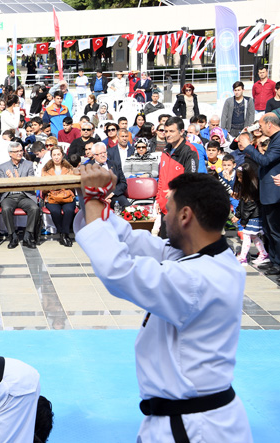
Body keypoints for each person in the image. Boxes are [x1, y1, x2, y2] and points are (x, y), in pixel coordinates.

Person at [76, 167, 253, 442]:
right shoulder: (211, 260)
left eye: (167, 209)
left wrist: (91, 200)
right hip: (195, 420)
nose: (164, 215)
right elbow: (133, 242)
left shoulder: (197, 278)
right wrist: (95, 199)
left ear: (185, 216)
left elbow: (118, 271)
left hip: (194, 429)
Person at [238, 113, 280, 276]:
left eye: (261, 125)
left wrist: (248, 147)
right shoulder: (274, 139)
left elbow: (266, 160)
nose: (260, 128)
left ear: (270, 124)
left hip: (275, 193)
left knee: (275, 230)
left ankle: (278, 263)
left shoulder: (278, 139)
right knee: (269, 230)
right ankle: (275, 261)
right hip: (268, 192)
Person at [156, 117, 199, 237]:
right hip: (166, 207)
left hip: (181, 207)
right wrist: (159, 199)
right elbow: (162, 177)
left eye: (171, 131)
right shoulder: (166, 150)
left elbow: (191, 179)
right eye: (166, 131)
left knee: (181, 248)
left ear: (181, 132)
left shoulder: (189, 151)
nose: (167, 135)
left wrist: (176, 191)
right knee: (166, 246)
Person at [0, 141, 40, 249]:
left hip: (24, 195)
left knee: (34, 208)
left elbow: (31, 183)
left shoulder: (28, 164)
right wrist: (11, 181)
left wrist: (18, 180)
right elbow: (2, 187)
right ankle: (12, 236)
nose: (19, 153)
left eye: (21, 151)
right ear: (10, 153)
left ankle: (28, 235)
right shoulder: (3, 167)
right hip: (9, 196)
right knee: (6, 208)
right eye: (16, 151)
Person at [232, 162, 268, 265]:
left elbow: (249, 207)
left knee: (247, 235)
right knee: (253, 237)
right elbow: (242, 204)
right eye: (238, 177)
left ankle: (243, 257)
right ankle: (263, 253)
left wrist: (243, 220)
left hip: (254, 217)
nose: (239, 180)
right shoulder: (246, 187)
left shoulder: (252, 188)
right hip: (252, 216)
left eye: (241, 178)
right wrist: (237, 215)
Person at [41, 146, 76, 246]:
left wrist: (58, 186)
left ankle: (64, 234)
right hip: (52, 196)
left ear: (62, 155)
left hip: (66, 196)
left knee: (69, 210)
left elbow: (72, 185)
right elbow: (44, 187)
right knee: (55, 211)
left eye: (58, 154)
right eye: (54, 155)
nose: (56, 157)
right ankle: (62, 233)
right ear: (51, 156)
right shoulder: (46, 169)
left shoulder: (69, 168)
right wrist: (57, 186)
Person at [89, 142, 128, 208]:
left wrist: (112, 193)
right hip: (96, 198)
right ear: (94, 155)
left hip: (114, 195)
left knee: (128, 207)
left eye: (104, 152)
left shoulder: (115, 164)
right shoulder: (88, 167)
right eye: (100, 153)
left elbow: (123, 183)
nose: (103, 155)